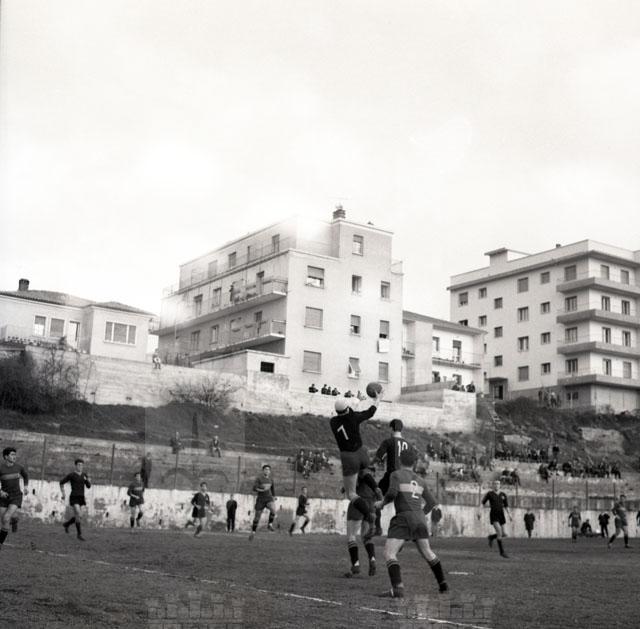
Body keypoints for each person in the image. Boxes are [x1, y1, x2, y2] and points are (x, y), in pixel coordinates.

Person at [375, 448, 448, 598]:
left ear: (399, 460)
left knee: (389, 553)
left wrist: (381, 504)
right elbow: (432, 502)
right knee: (428, 552)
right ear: (414, 463)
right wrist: (420, 514)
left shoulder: (396, 474)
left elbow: (392, 493)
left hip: (403, 517)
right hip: (420, 519)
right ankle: (443, 585)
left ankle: (397, 588)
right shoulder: (421, 480)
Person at [329, 390, 381, 526]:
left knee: (351, 494)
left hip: (348, 456)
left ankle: (368, 514)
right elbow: (370, 412)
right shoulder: (353, 417)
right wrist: (378, 399)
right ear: (347, 409)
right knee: (363, 472)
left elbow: (346, 412)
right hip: (362, 452)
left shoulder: (333, 422)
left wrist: (357, 401)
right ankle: (376, 488)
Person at [374, 419, 409, 536]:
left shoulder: (388, 442)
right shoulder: (408, 444)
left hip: (391, 476)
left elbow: (378, 457)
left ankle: (377, 527)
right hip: (405, 477)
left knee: (376, 494)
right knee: (402, 505)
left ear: (391, 428)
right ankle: (404, 530)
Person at [344, 468, 381, 577]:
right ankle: (372, 559)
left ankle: (355, 565)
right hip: (371, 506)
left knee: (351, 536)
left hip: (358, 504)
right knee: (366, 537)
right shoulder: (374, 484)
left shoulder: (360, 474)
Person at [0, 447, 29, 552]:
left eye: (15, 454)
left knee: (6, 517)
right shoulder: (1, 468)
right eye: (12, 454)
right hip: (4, 497)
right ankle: (15, 519)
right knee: (4, 521)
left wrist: (25, 487)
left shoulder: (19, 467)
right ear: (6, 457)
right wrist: (0, 492)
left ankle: (0, 543)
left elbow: (25, 476)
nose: (14, 456)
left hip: (16, 496)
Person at [60, 459, 91, 541]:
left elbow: (88, 486)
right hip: (74, 497)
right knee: (78, 513)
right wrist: (63, 494)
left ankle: (67, 524)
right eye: (79, 465)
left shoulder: (84, 475)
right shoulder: (71, 475)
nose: (80, 466)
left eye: (82, 465)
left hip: (81, 497)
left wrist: (87, 480)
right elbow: (61, 482)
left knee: (79, 516)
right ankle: (79, 534)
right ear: (76, 466)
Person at [481, 480, 511, 558]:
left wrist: (509, 514)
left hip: (501, 515)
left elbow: (506, 506)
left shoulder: (503, 495)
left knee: (504, 534)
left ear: (500, 485)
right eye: (495, 484)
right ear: (493, 485)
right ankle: (502, 552)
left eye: (498, 484)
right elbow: (482, 503)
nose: (496, 485)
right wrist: (479, 512)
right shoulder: (490, 494)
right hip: (494, 515)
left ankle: (491, 537)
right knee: (499, 532)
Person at [249, 464, 277, 541]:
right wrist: (261, 490)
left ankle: (270, 524)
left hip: (269, 498)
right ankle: (253, 532)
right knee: (257, 517)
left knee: (273, 509)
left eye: (268, 470)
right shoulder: (259, 479)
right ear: (263, 471)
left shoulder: (271, 479)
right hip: (260, 500)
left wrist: (274, 496)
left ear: (270, 471)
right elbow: (254, 488)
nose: (267, 471)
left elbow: (272, 489)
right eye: (265, 469)